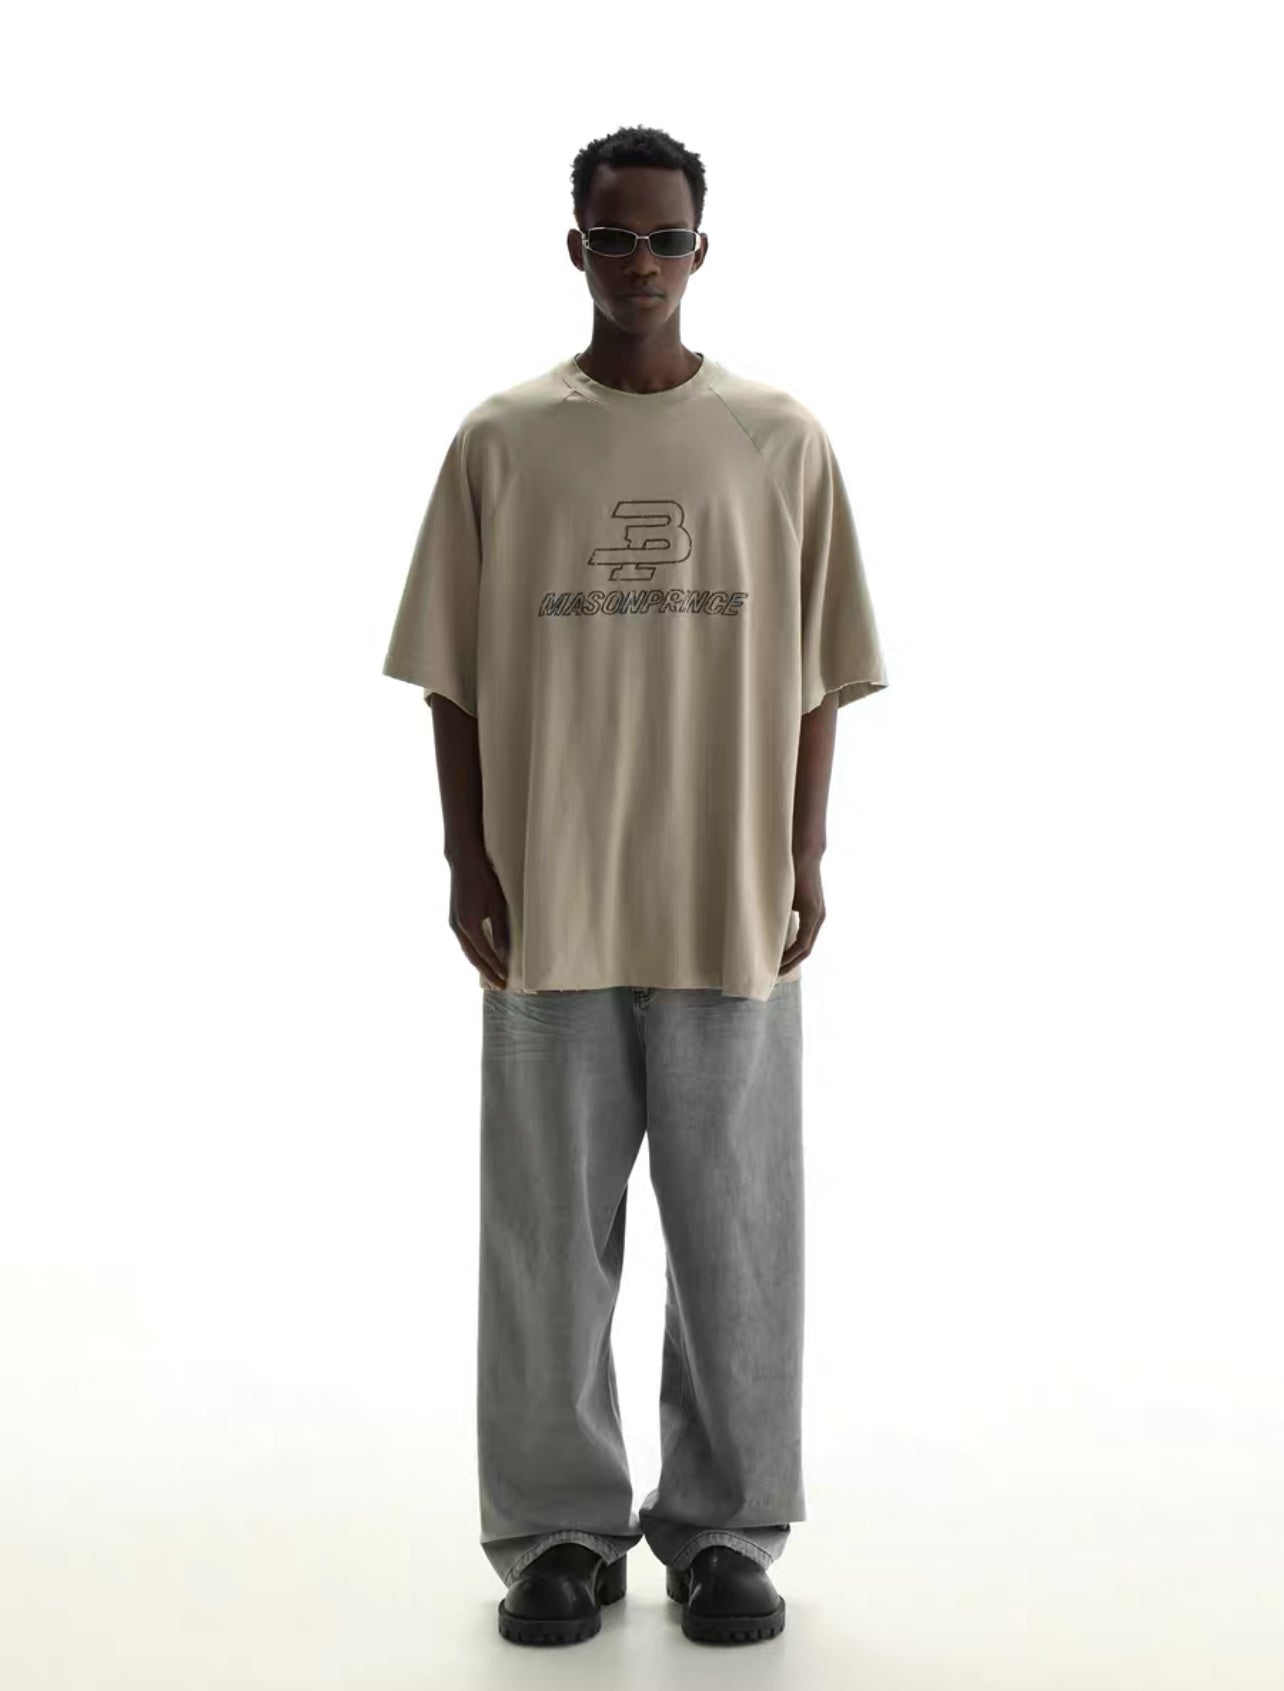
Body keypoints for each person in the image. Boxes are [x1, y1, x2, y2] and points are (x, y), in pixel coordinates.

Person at [382, 124, 888, 1647]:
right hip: (553, 901)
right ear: (577, 249)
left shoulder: (778, 441)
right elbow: (452, 676)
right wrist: (466, 856)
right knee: (545, 1234)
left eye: (668, 239)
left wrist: (804, 852)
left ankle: (725, 1529)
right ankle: (557, 1532)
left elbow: (821, 672)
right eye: (617, 237)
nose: (644, 264)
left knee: (738, 1235)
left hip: (723, 897)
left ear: (701, 251)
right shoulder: (503, 442)